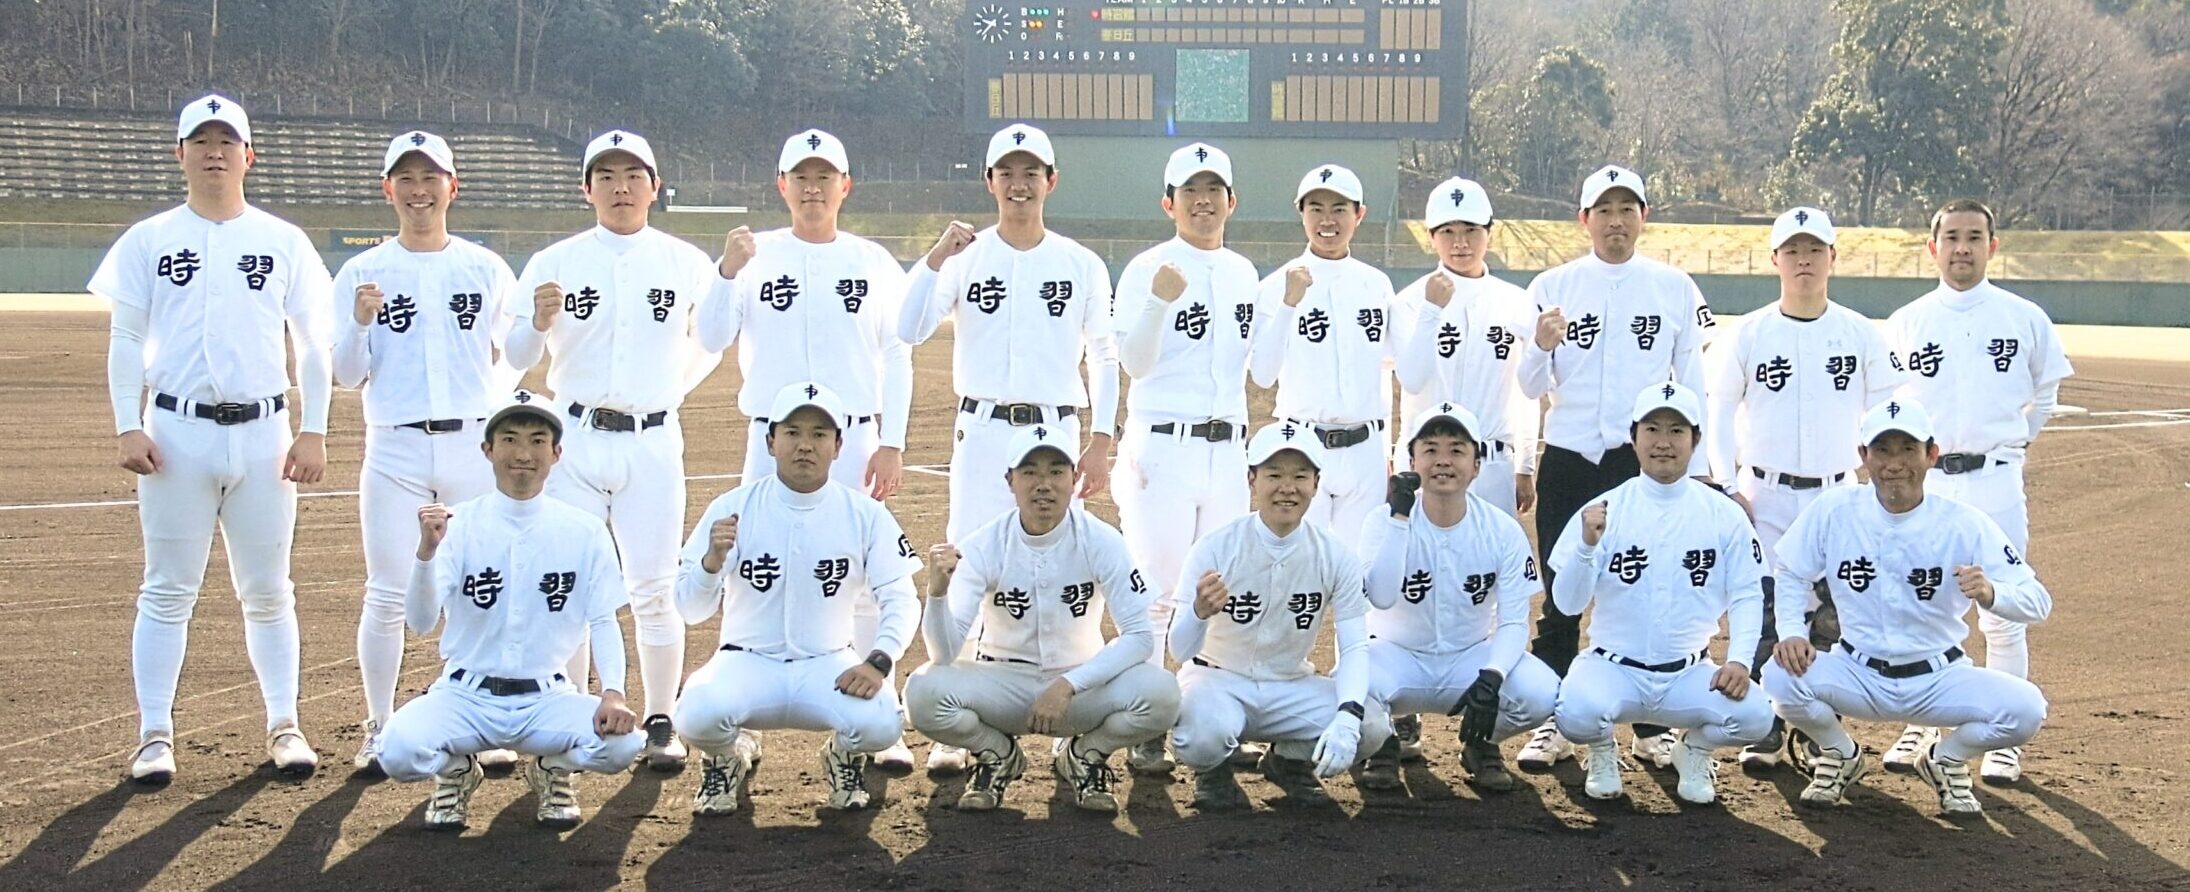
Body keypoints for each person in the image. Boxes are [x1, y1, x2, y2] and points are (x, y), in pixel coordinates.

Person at [96, 95, 334, 784]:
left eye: (227, 140)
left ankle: (285, 725)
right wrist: (127, 421)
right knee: (167, 589)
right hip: (177, 433)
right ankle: (154, 735)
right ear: (180, 154)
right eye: (200, 140)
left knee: (269, 591)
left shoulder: (283, 240)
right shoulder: (149, 239)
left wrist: (314, 428)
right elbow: (126, 336)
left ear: (248, 155)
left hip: (265, 434)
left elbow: (312, 344)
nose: (214, 151)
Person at [697, 128, 921, 769]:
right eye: (801, 176)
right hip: (769, 436)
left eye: (825, 177)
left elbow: (898, 352)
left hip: (852, 436)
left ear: (845, 186)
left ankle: (869, 711)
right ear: (782, 185)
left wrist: (892, 441)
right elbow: (711, 336)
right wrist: (725, 272)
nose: (813, 188)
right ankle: (738, 714)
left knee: (865, 572)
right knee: (751, 566)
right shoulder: (754, 254)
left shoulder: (873, 261)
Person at [506, 129, 722, 772]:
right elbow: (515, 354)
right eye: (606, 176)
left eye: (633, 176)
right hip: (573, 438)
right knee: (568, 583)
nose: (620, 187)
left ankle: (660, 719)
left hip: (652, 440)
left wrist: (667, 392)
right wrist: (537, 323)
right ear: (587, 189)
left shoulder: (685, 262)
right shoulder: (555, 261)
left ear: (655, 187)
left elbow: (711, 342)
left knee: (654, 586)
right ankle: (571, 715)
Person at [1514, 165, 1718, 773]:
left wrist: (1699, 467)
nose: (1615, 221)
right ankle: (1555, 717)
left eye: (1627, 208)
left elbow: (1694, 382)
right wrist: (1541, 344)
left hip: (1641, 463)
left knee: (1646, 587)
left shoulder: (1674, 287)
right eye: (1603, 210)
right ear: (1584, 220)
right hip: (1569, 457)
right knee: (1562, 593)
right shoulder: (1552, 285)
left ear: (1643, 217)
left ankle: (1652, 726)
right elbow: (1528, 385)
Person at [333, 130, 522, 775]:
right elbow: (346, 373)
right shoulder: (362, 273)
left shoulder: (484, 268)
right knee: (387, 592)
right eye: (407, 179)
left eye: (430, 178)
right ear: (388, 189)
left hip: (471, 444)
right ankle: (378, 724)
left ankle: (486, 718)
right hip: (396, 447)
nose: (419, 191)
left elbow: (518, 352)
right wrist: (360, 322)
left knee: (482, 585)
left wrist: (506, 378)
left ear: (452, 186)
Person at [1763, 398, 2051, 817]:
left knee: (2026, 710)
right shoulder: (1834, 510)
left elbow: (2038, 601)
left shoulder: (1964, 523)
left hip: (1939, 678)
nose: (1894, 463)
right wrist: (1792, 631)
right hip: (1857, 672)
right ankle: (1840, 753)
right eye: (1882, 450)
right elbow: (1790, 571)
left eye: (1908, 449)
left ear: (1931, 455)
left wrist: (1992, 594)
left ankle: (1945, 759)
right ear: (1863, 456)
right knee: (1779, 677)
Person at [380, 394, 644, 830]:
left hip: (547, 699)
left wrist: (613, 692)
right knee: (396, 752)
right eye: (510, 439)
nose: (523, 453)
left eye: (538, 441)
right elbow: (421, 622)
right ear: (488, 449)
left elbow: (603, 620)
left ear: (556, 453)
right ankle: (457, 771)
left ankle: (552, 768)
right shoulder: (456, 525)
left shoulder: (585, 531)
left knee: (623, 745)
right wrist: (426, 555)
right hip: (465, 696)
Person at [1879, 198, 2073, 785]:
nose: (1962, 247)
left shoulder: (2024, 317)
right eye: (1951, 237)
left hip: (1995, 479)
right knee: (1923, 606)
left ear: (1993, 245)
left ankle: (2003, 737)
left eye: (1973, 237)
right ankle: (1922, 723)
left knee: (2003, 609)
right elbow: (1888, 405)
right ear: (1932, 247)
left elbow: (2046, 396)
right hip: (1929, 482)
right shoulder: (1907, 321)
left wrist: (2011, 446)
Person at [1703, 206, 1903, 769]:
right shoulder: (1748, 333)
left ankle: (1820, 729)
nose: (1804, 259)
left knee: (1833, 616)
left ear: (1833, 257)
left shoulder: (1860, 333)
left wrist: (1879, 488)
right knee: (1768, 609)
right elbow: (1719, 415)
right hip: (1763, 492)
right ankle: (1766, 723)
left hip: (1838, 492)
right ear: (1775, 259)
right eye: (1792, 250)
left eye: (1815, 249)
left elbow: (1886, 417)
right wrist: (1727, 484)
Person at [672, 383, 923, 814]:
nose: (805, 445)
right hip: (746, 660)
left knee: (883, 722)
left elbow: (902, 598)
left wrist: (878, 661)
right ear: (770, 441)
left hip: (828, 663)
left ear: (838, 446)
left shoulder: (865, 514)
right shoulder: (733, 508)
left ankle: (843, 755)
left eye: (819, 434)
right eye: (792, 433)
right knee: (695, 714)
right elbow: (690, 609)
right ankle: (724, 758)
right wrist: (710, 564)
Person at [905, 424, 1181, 813]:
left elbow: (1139, 637)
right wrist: (937, 595)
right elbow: (944, 653)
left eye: (1056, 471)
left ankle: (1085, 755)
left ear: (1074, 478)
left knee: (1163, 694)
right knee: (921, 692)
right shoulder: (983, 545)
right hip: (1003, 686)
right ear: (1010, 481)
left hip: (1080, 690)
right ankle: (996, 754)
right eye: (1030, 472)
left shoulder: (1102, 540)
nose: (1044, 484)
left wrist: (1068, 685)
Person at [1107, 141, 1259, 777]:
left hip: (1226, 450)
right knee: (1156, 590)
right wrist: (1157, 301)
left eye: (1213, 189)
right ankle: (1146, 719)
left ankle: (1207, 714)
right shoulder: (1148, 267)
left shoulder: (1244, 272)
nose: (1202, 201)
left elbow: (1255, 369)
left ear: (1231, 201)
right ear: (1168, 203)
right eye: (1189, 191)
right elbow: (1133, 362)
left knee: (1219, 588)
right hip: (1162, 447)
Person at [1548, 382, 1770, 805]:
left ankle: (1694, 751)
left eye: (1676, 430)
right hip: (1613, 669)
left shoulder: (1724, 514)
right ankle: (1602, 751)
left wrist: (1739, 660)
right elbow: (1567, 604)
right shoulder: (1604, 509)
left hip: (1688, 673)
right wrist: (1586, 547)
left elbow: (1746, 593)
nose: (1663, 442)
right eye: (1651, 429)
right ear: (1633, 438)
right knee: (1574, 712)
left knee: (1756, 717)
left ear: (1695, 440)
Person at [1167, 424, 1392, 811]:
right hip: (1217, 680)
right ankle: (1214, 768)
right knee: (1202, 735)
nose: (1287, 488)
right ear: (1252, 480)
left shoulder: (1334, 555)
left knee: (1370, 724)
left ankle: (1288, 761)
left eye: (1300, 476)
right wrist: (1198, 613)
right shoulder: (1215, 548)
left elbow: (1355, 645)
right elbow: (1179, 650)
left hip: (1289, 685)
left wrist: (1347, 716)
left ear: (1316, 484)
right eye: (1274, 475)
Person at [1355, 404, 1559, 793]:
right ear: (1412, 462)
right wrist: (1399, 521)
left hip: (1470, 657)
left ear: (1477, 465)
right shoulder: (1381, 521)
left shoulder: (1502, 530)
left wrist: (1494, 675)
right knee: (1346, 686)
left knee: (1542, 694)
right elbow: (1379, 597)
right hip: (1395, 656)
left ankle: (1481, 742)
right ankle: (1382, 743)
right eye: (1430, 450)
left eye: (1457, 450)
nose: (1443, 461)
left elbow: (1514, 621)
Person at [1248, 165, 1399, 541]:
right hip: (1302, 445)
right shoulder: (1276, 285)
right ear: (1301, 213)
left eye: (1339, 209)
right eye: (1315, 208)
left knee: (1361, 562)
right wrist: (1288, 304)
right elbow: (1262, 375)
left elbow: (1386, 368)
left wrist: (1386, 449)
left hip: (1365, 446)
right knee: (1301, 560)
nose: (1327, 220)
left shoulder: (1376, 284)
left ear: (1359, 214)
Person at [1393, 177, 1541, 517]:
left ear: (1490, 232)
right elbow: (1411, 380)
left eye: (1471, 230)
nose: (1460, 243)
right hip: (1426, 464)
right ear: (1431, 236)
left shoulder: (1515, 301)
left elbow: (1525, 392)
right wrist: (1431, 311)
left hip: (1493, 464)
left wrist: (1525, 465)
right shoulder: (1410, 302)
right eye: (1448, 231)